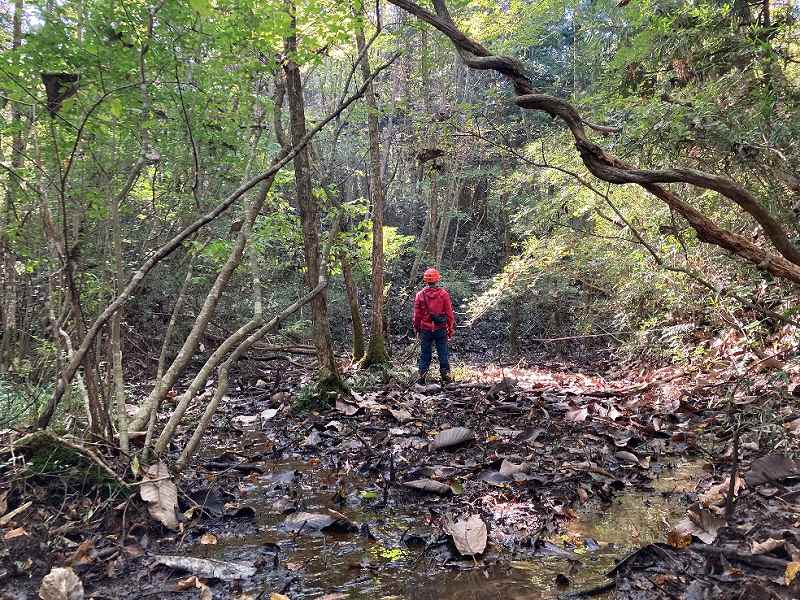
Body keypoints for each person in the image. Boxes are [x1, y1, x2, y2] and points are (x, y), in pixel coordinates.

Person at [412, 268, 455, 385]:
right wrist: (450, 329)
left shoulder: (419, 295)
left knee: (425, 354)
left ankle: (421, 379)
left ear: (425, 281)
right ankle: (446, 379)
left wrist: (416, 328)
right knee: (443, 353)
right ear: (437, 280)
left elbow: (417, 315)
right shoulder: (443, 294)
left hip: (425, 330)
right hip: (441, 329)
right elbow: (449, 314)